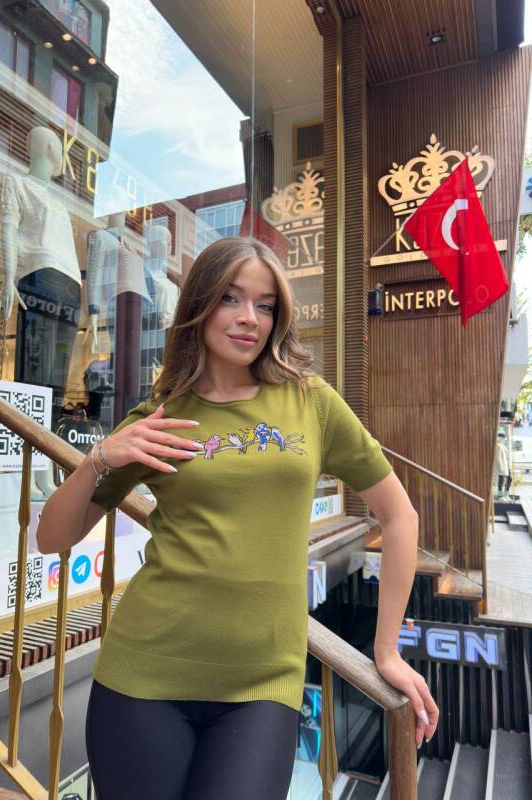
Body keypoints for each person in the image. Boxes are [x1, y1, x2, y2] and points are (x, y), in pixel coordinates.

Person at [36, 237, 438, 799]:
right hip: (144, 674)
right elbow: (52, 537)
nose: (250, 318)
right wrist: (99, 458)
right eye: (231, 298)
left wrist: (386, 649)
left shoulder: (310, 402)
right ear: (199, 305)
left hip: (262, 686)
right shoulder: (160, 417)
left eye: (265, 305)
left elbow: (399, 516)